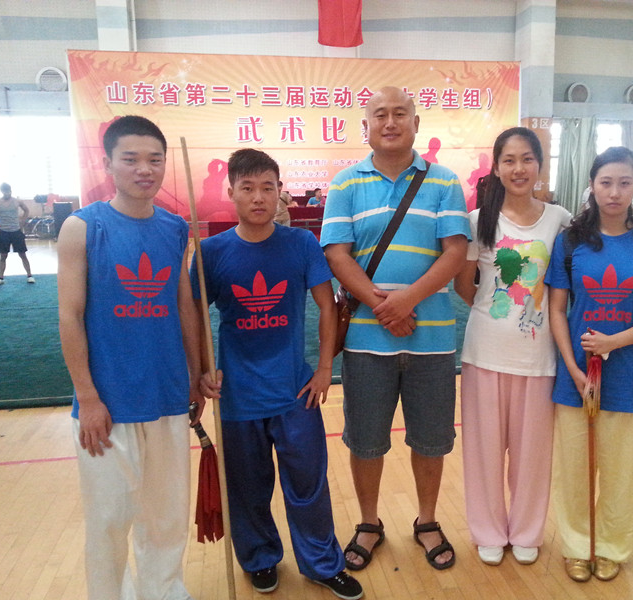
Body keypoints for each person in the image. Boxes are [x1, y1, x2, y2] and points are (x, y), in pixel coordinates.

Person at [193, 149, 362, 600]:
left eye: (267, 187)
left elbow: (327, 306)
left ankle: (322, 564)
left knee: (309, 486)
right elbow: (193, 316)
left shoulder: (301, 244)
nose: (258, 197)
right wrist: (201, 371)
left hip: (295, 393)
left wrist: (324, 369)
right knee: (248, 490)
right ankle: (259, 559)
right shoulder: (211, 253)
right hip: (237, 399)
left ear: (280, 192)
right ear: (231, 192)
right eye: (247, 188)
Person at [321, 86, 469, 571]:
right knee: (366, 441)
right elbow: (336, 255)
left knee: (431, 440)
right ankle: (369, 523)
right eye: (380, 114)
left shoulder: (444, 182)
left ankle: (427, 521)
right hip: (366, 341)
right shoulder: (345, 184)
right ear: (365, 126)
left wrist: (408, 300)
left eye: (399, 113)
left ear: (416, 123)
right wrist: (384, 306)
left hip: (433, 340)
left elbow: (455, 252)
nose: (390, 122)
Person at [57, 115, 204, 599]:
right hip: (108, 401)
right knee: (108, 518)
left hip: (166, 392)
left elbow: (184, 306)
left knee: (166, 515)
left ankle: (165, 590)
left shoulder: (174, 228)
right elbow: (70, 316)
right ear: (107, 165)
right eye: (131, 159)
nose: (145, 169)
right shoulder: (82, 228)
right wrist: (87, 396)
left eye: (155, 160)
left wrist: (196, 373)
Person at [545, 146, 633, 583]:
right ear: (592, 186)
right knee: (574, 470)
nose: (615, 192)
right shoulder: (570, 242)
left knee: (622, 471)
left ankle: (612, 546)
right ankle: (577, 546)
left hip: (630, 375)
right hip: (576, 377)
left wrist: (612, 343)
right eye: (606, 182)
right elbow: (557, 310)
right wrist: (573, 367)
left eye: (624, 183)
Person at [453, 127, 571, 567]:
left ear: (539, 165)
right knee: (483, 452)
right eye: (509, 160)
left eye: (526, 159)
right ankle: (487, 530)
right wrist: (493, 313)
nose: (518, 168)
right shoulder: (477, 220)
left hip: (539, 358)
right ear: (497, 167)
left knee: (532, 456)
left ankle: (526, 531)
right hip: (484, 353)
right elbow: (464, 285)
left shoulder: (559, 220)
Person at [0, 183, 34, 285]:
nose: (7, 193)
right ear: (2, 192)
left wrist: (22, 221)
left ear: (11, 191)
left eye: (8, 191)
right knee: (3, 256)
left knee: (22, 254)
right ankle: (0, 278)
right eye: (5, 192)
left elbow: (26, 210)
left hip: (16, 231)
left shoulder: (17, 201)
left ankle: (30, 276)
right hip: (4, 232)